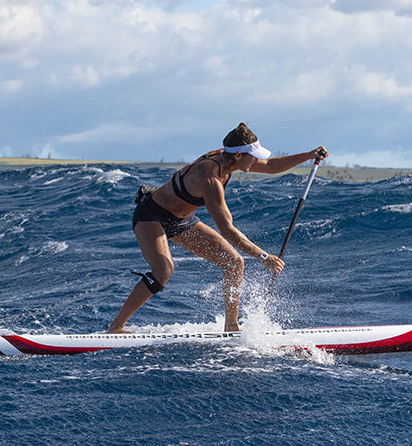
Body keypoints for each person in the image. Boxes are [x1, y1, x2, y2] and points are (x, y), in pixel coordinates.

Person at [108, 123, 328, 333]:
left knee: (234, 262)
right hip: (151, 215)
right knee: (163, 270)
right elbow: (228, 230)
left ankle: (231, 326)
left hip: (181, 218)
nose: (257, 162)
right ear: (239, 155)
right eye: (254, 157)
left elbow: (271, 166)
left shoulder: (230, 159)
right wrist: (263, 256)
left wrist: (309, 155)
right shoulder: (210, 179)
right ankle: (116, 327)